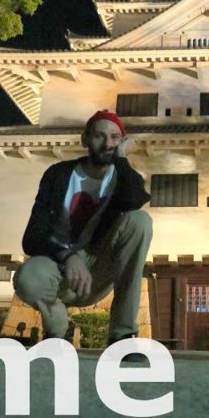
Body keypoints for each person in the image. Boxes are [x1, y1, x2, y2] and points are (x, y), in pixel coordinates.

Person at [14, 110, 152, 359]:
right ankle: (57, 333)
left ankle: (122, 336)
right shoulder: (58, 174)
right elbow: (31, 236)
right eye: (100, 136)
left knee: (140, 221)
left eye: (115, 137)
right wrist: (67, 256)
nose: (108, 143)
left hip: (98, 268)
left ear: (122, 141)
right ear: (85, 139)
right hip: (58, 266)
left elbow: (134, 201)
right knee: (27, 277)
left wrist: (121, 160)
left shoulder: (124, 178)